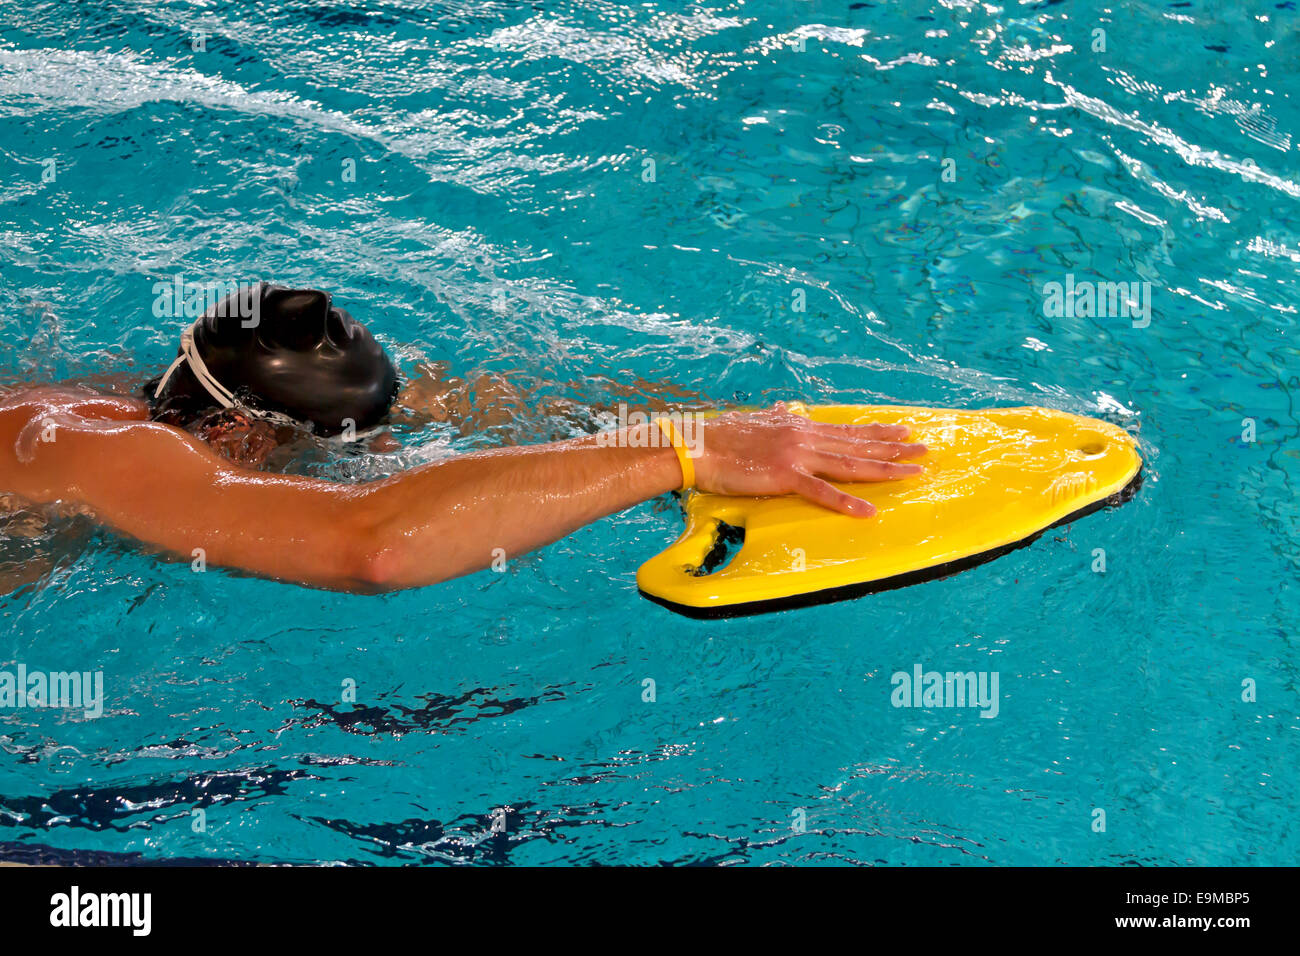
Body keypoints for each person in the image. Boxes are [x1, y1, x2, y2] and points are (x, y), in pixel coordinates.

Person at [0, 284, 926, 593]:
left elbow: (509, 413)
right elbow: (374, 544)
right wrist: (685, 451)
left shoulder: (137, 401)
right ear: (245, 435)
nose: (370, 458)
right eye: (336, 449)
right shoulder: (107, 452)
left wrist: (736, 422)